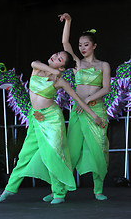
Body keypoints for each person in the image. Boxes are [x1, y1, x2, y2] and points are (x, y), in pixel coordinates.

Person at [0, 51, 105, 204]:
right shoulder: (38, 68)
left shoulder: (59, 81)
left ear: (62, 67)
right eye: (57, 54)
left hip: (52, 119)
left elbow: (78, 99)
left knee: (53, 155)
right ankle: (9, 188)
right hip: (35, 118)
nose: (55, 56)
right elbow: (34, 62)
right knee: (25, 154)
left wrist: (94, 116)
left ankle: (59, 194)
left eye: (59, 59)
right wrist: (54, 71)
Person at [59, 13, 111, 200]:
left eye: (86, 45)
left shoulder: (103, 65)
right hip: (78, 112)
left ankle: (98, 190)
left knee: (98, 149)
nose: (82, 48)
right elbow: (66, 44)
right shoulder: (77, 63)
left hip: (95, 110)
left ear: (94, 46)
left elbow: (106, 88)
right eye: (80, 45)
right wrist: (69, 21)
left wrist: (87, 100)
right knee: (70, 151)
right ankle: (60, 190)